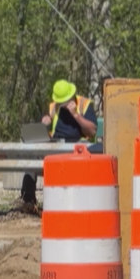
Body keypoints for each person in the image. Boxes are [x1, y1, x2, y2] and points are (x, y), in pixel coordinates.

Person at [20, 80, 99, 210]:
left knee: (89, 151)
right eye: (60, 102)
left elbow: (92, 130)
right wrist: (45, 123)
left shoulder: (84, 105)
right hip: (56, 144)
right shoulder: (54, 107)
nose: (62, 105)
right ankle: (28, 200)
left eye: (64, 101)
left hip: (77, 145)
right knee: (32, 158)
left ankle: (81, 202)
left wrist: (75, 115)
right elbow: (47, 128)